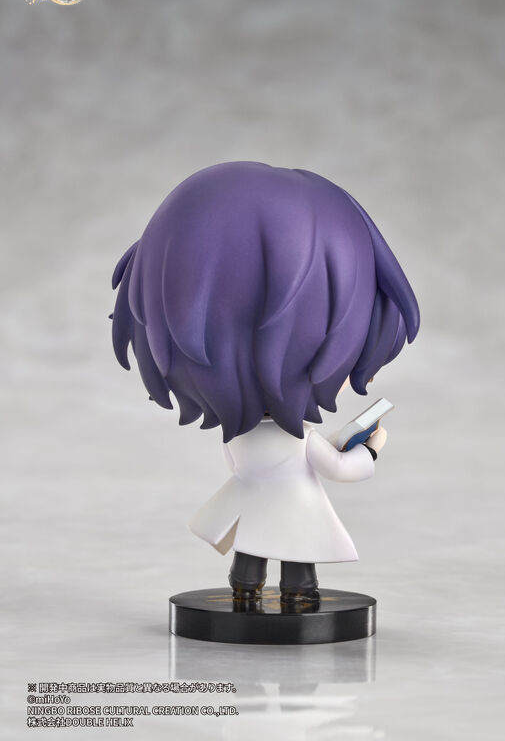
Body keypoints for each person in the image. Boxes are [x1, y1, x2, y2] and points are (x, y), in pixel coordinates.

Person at [111, 161, 419, 604]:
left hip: (249, 505)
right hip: (296, 510)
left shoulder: (241, 439)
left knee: (252, 546)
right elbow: (337, 469)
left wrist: (332, 442)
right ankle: (298, 592)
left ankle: (245, 586)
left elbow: (253, 462)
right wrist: (369, 451)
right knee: (299, 551)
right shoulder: (299, 442)